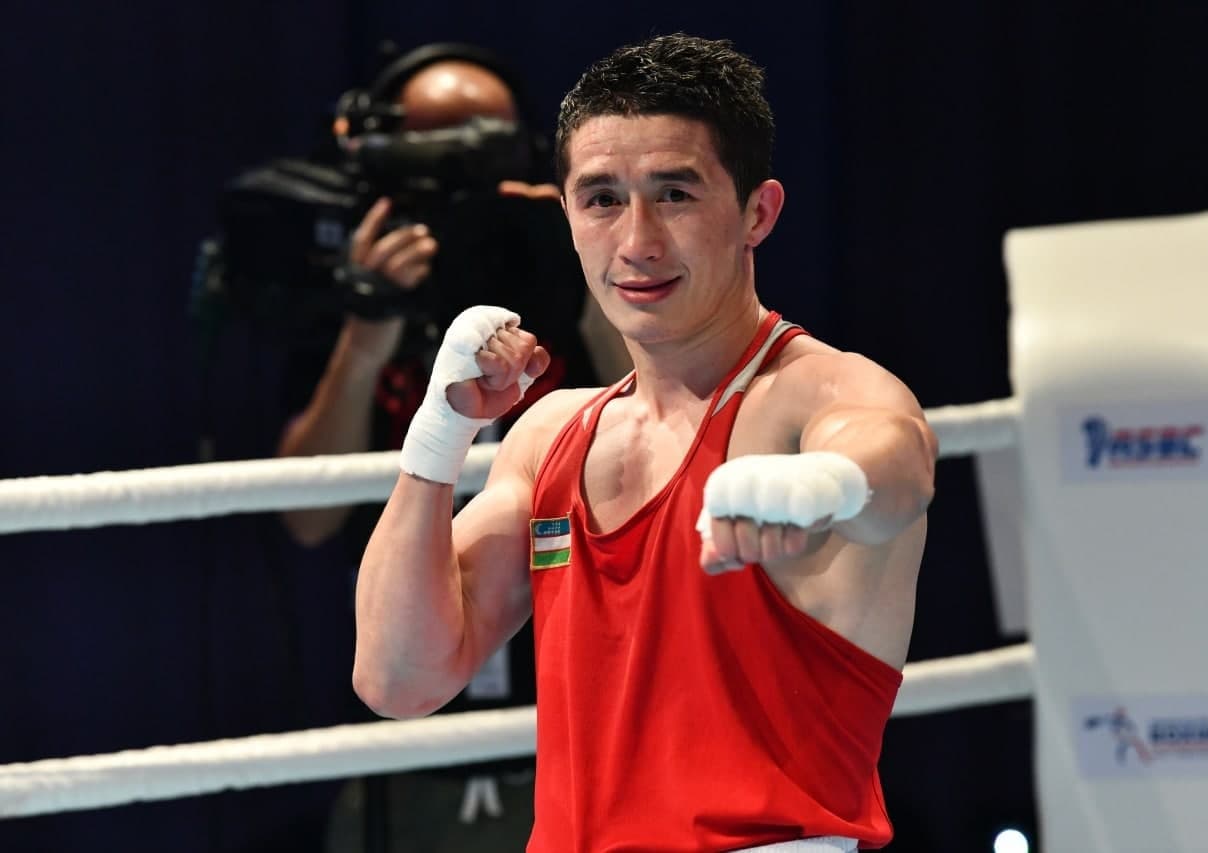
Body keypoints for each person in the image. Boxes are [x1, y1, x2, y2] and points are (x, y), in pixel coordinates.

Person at [354, 32, 937, 852]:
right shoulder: (551, 434)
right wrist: (439, 431)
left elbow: (896, 460)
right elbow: (397, 677)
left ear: (758, 212)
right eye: (601, 198)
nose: (637, 241)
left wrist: (819, 486)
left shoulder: (813, 393)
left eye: (675, 193)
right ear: (566, 214)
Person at [269, 43, 628, 851]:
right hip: (403, 738)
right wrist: (366, 333)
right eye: (437, 155)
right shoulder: (354, 292)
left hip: (582, 734)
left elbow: (671, 439)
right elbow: (306, 518)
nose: (465, 182)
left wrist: (586, 285)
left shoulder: (578, 269)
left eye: (485, 149)